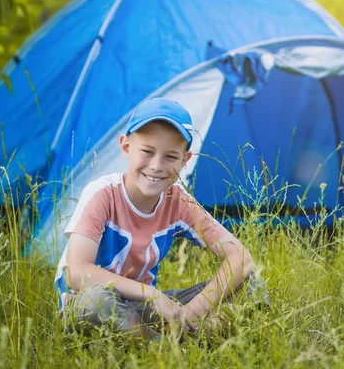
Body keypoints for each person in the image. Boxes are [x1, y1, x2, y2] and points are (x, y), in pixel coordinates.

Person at [54, 97, 268, 341]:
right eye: (147, 151)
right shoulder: (102, 193)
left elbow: (240, 258)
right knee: (94, 302)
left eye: (170, 157)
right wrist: (152, 294)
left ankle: (178, 335)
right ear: (125, 147)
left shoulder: (178, 200)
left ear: (184, 160)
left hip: (143, 309)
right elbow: (78, 273)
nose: (156, 166)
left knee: (252, 284)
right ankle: (167, 347)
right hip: (91, 304)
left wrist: (189, 312)